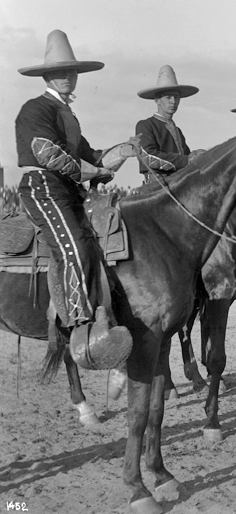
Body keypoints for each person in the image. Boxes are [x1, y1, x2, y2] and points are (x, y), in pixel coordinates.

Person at [15, 29, 138, 371]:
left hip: (69, 192)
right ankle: (81, 327)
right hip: (43, 189)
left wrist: (121, 154)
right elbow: (47, 154)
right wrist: (93, 171)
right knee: (75, 248)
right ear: (47, 76)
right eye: (60, 71)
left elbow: (90, 156)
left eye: (72, 72)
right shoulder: (36, 109)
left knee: (98, 245)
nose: (68, 77)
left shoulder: (68, 115)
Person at [136, 65, 204, 183]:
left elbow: (188, 159)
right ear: (157, 100)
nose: (173, 102)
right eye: (168, 97)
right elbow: (147, 156)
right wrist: (187, 160)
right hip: (156, 187)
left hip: (179, 184)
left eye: (176, 97)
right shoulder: (145, 125)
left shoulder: (177, 131)